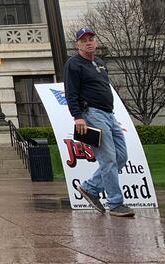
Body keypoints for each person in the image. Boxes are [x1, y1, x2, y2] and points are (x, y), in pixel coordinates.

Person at [65, 27, 134, 217]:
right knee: (108, 158)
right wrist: (78, 116)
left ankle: (90, 187)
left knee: (121, 156)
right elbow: (71, 92)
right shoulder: (73, 64)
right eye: (84, 40)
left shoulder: (100, 62)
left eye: (91, 38)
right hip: (92, 114)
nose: (89, 42)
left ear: (95, 41)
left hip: (109, 115)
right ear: (77, 44)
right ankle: (115, 203)